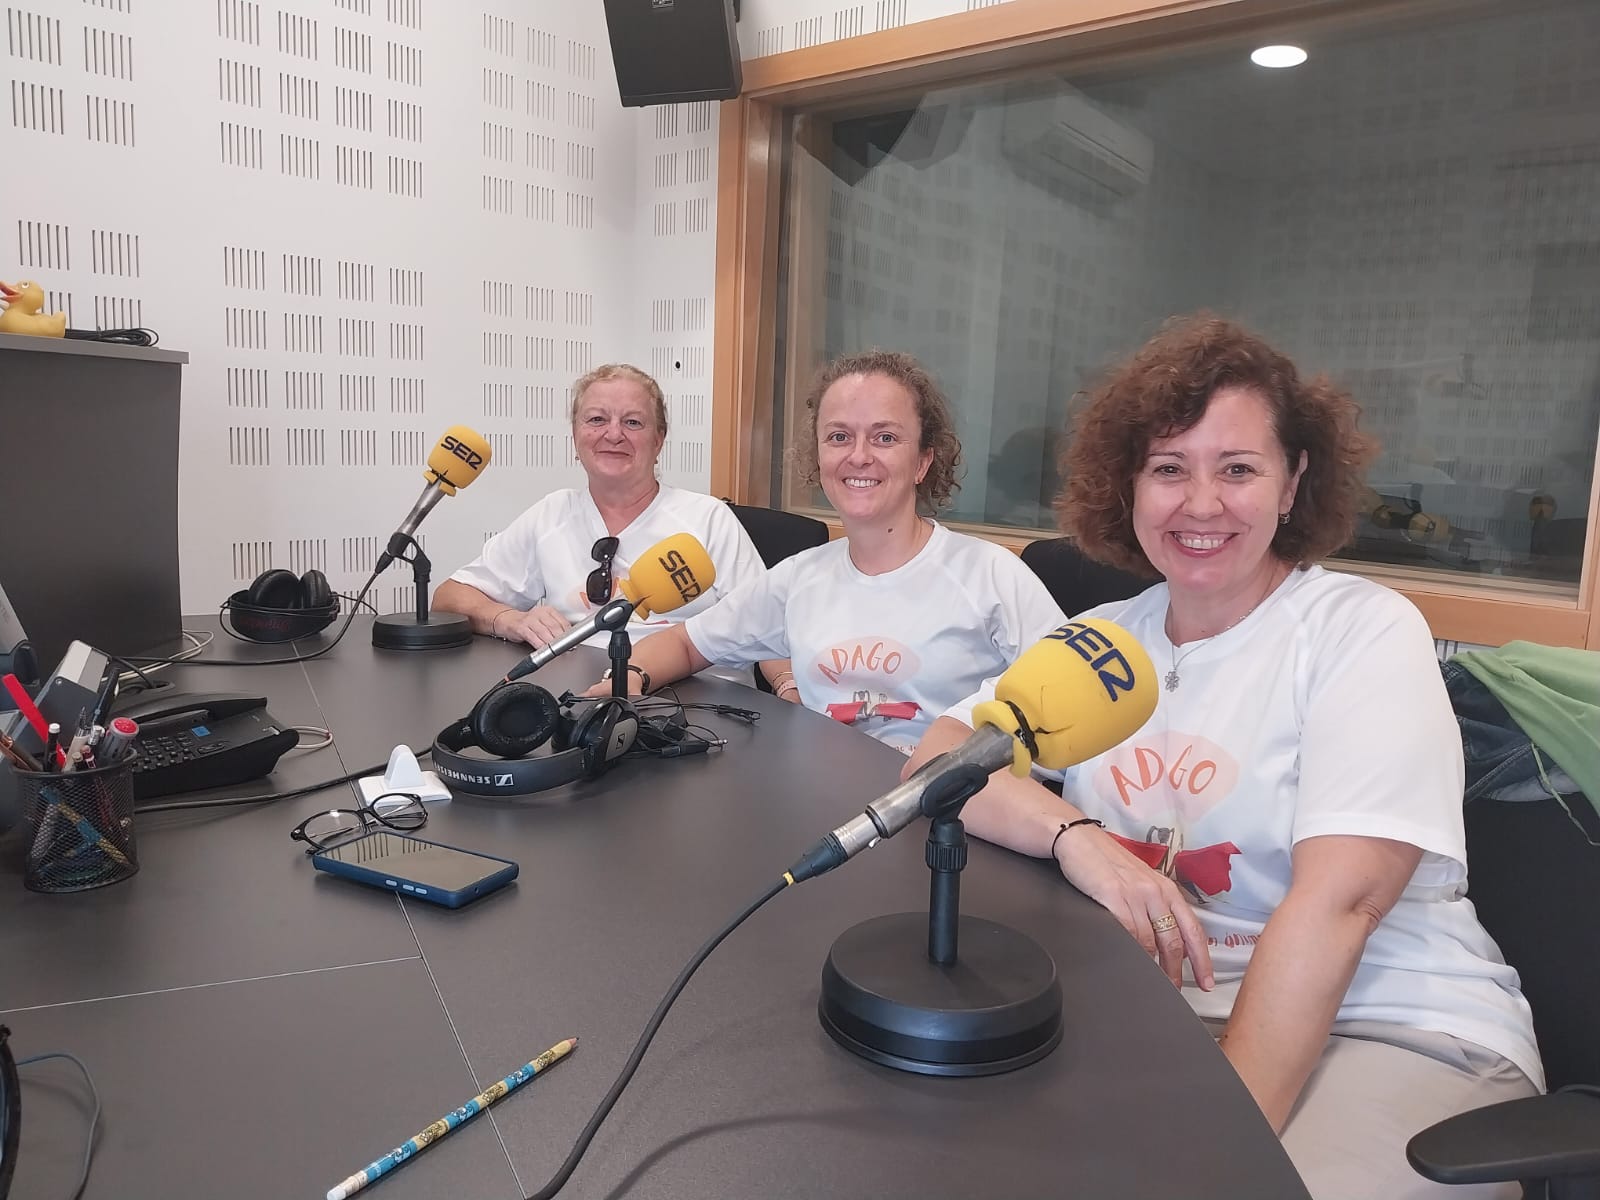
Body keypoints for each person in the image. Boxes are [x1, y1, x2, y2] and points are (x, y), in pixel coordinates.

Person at [907, 316, 1541, 1199]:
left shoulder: (1358, 630)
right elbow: (941, 758)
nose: (1200, 504)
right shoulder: (1099, 641)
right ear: (1127, 485)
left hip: (1391, 1024)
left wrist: (1208, 1158)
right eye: (1168, 469)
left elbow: (1342, 904)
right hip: (1159, 1018)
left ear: (1293, 483)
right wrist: (1074, 836)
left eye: (1237, 469)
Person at [595, 349, 1066, 752]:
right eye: (839, 436)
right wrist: (630, 679)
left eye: (885, 437)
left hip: (950, 821)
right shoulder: (799, 578)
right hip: (829, 812)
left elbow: (1064, 705)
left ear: (924, 460)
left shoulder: (992, 576)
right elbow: (685, 642)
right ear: (818, 457)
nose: (859, 456)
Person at [433, 363, 783, 688]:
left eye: (632, 422)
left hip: (701, 702)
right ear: (575, 436)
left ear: (658, 440)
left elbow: (767, 626)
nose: (613, 434)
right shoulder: (552, 514)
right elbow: (449, 597)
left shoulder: (708, 519)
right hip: (581, 694)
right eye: (597, 420)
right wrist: (511, 619)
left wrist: (790, 689)